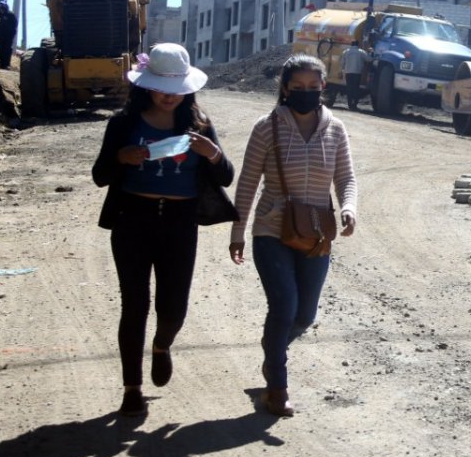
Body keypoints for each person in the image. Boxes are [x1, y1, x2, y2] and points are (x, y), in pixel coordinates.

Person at [92, 43, 237, 417]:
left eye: (176, 88)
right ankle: (131, 389)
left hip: (180, 223)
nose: (169, 96)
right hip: (132, 221)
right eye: (160, 87)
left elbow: (225, 176)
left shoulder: (198, 125)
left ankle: (162, 345)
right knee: (134, 305)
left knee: (173, 308)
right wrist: (121, 157)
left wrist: (213, 153)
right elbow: (100, 175)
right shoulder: (123, 124)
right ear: (145, 86)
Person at [229, 54, 357, 417]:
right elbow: (249, 183)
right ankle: (277, 389)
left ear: (323, 87)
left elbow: (346, 178)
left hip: (317, 234)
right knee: (283, 306)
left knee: (304, 315)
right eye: (297, 87)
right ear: (285, 88)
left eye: (312, 87)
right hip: (271, 230)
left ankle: (273, 355)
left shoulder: (336, 129)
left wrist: (349, 208)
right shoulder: (266, 127)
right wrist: (238, 231)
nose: (305, 93)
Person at [340, 40, 368, 110]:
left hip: (348, 73)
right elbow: (369, 59)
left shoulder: (346, 52)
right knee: (356, 89)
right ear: (358, 45)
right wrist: (371, 52)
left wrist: (343, 69)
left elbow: (342, 63)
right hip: (357, 73)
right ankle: (354, 105)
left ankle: (349, 105)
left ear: (351, 45)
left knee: (349, 88)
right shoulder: (361, 52)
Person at [0, 0, 17, 69]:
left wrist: (10, 30)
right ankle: (1, 64)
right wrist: (0, 27)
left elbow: (15, 24)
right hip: (0, 35)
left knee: (7, 49)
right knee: (1, 49)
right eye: (0, 4)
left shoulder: (10, 14)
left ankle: (7, 64)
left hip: (9, 35)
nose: (1, 6)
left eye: (2, 5)